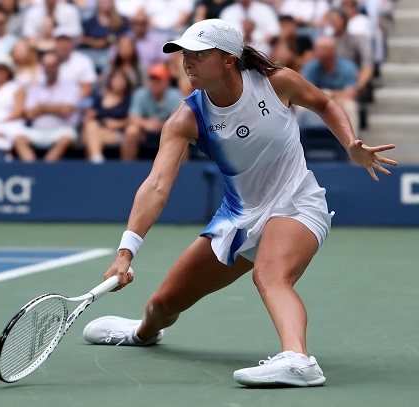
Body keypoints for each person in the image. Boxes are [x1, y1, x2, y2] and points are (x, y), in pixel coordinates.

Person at [81, 19, 397, 387]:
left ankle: (298, 359)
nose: (187, 62)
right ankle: (142, 332)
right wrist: (125, 252)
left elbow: (324, 103)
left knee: (269, 275)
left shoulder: (276, 82)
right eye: (185, 53)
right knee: (163, 303)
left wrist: (350, 144)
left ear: (229, 59)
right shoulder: (187, 117)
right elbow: (155, 186)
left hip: (295, 202)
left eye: (199, 54)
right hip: (238, 219)